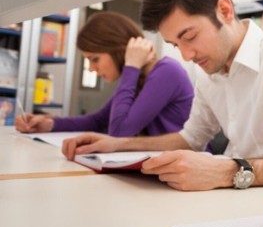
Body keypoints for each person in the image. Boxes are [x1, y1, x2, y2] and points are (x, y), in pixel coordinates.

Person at [61, 0, 263, 191]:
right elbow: (191, 139)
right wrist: (117, 144)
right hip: (229, 197)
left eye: (190, 36)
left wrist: (227, 171)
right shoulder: (208, 69)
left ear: (224, 10)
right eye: (176, 45)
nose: (186, 55)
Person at [15, 11, 193, 137]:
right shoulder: (138, 77)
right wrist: (49, 124)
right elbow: (97, 121)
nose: (92, 68)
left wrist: (131, 66)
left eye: (95, 59)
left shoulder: (167, 72)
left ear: (117, 49)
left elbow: (119, 132)